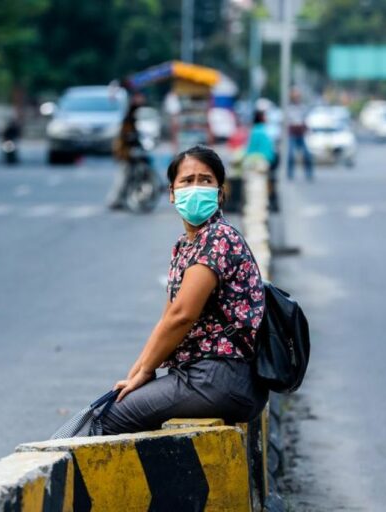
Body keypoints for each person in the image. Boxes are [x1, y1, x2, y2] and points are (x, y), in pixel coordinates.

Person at [102, 145, 269, 435]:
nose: (195, 188)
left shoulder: (218, 238)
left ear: (220, 192)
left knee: (113, 418)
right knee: (124, 400)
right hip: (205, 376)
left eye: (205, 180)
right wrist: (140, 369)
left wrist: (144, 373)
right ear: (171, 192)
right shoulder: (185, 245)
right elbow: (168, 317)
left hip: (221, 376)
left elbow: (182, 315)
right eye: (187, 180)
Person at [108, 93, 146, 210]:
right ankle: (115, 200)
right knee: (123, 176)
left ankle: (121, 199)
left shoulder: (132, 116)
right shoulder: (128, 117)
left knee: (127, 176)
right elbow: (126, 135)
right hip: (125, 151)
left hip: (128, 150)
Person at [245, 109, 280, 212]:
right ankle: (272, 201)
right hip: (267, 161)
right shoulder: (263, 130)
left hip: (261, 162)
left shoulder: (256, 130)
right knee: (268, 183)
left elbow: (250, 150)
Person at [286, 88, 313, 181]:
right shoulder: (289, 107)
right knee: (291, 154)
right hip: (292, 134)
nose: (296, 98)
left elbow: (305, 120)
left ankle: (309, 173)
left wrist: (307, 129)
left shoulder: (302, 107)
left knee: (307, 154)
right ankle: (290, 174)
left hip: (301, 134)